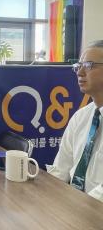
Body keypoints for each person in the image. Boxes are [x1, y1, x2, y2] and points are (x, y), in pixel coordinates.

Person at [47, 40, 103, 201]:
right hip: (73, 206)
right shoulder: (81, 117)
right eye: (78, 66)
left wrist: (76, 208)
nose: (79, 72)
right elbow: (61, 169)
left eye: (89, 65)